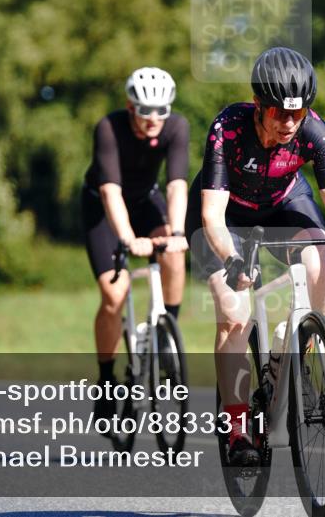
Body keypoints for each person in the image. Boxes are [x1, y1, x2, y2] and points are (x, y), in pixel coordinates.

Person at [185, 46, 325, 466]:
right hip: (226, 216)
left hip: (283, 201)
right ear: (259, 104)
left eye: (299, 112)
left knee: (320, 263)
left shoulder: (313, 129)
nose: (290, 123)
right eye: (280, 113)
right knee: (234, 312)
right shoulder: (228, 128)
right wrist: (232, 260)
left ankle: (288, 348)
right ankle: (237, 429)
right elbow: (212, 217)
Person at [82, 67, 189, 425]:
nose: (155, 119)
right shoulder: (109, 128)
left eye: (162, 110)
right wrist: (128, 239)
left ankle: (166, 336)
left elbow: (176, 185)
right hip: (103, 208)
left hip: (146, 200)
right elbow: (110, 193)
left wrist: (175, 231)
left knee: (173, 252)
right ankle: (107, 379)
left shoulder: (177, 127)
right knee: (115, 295)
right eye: (146, 111)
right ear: (130, 106)